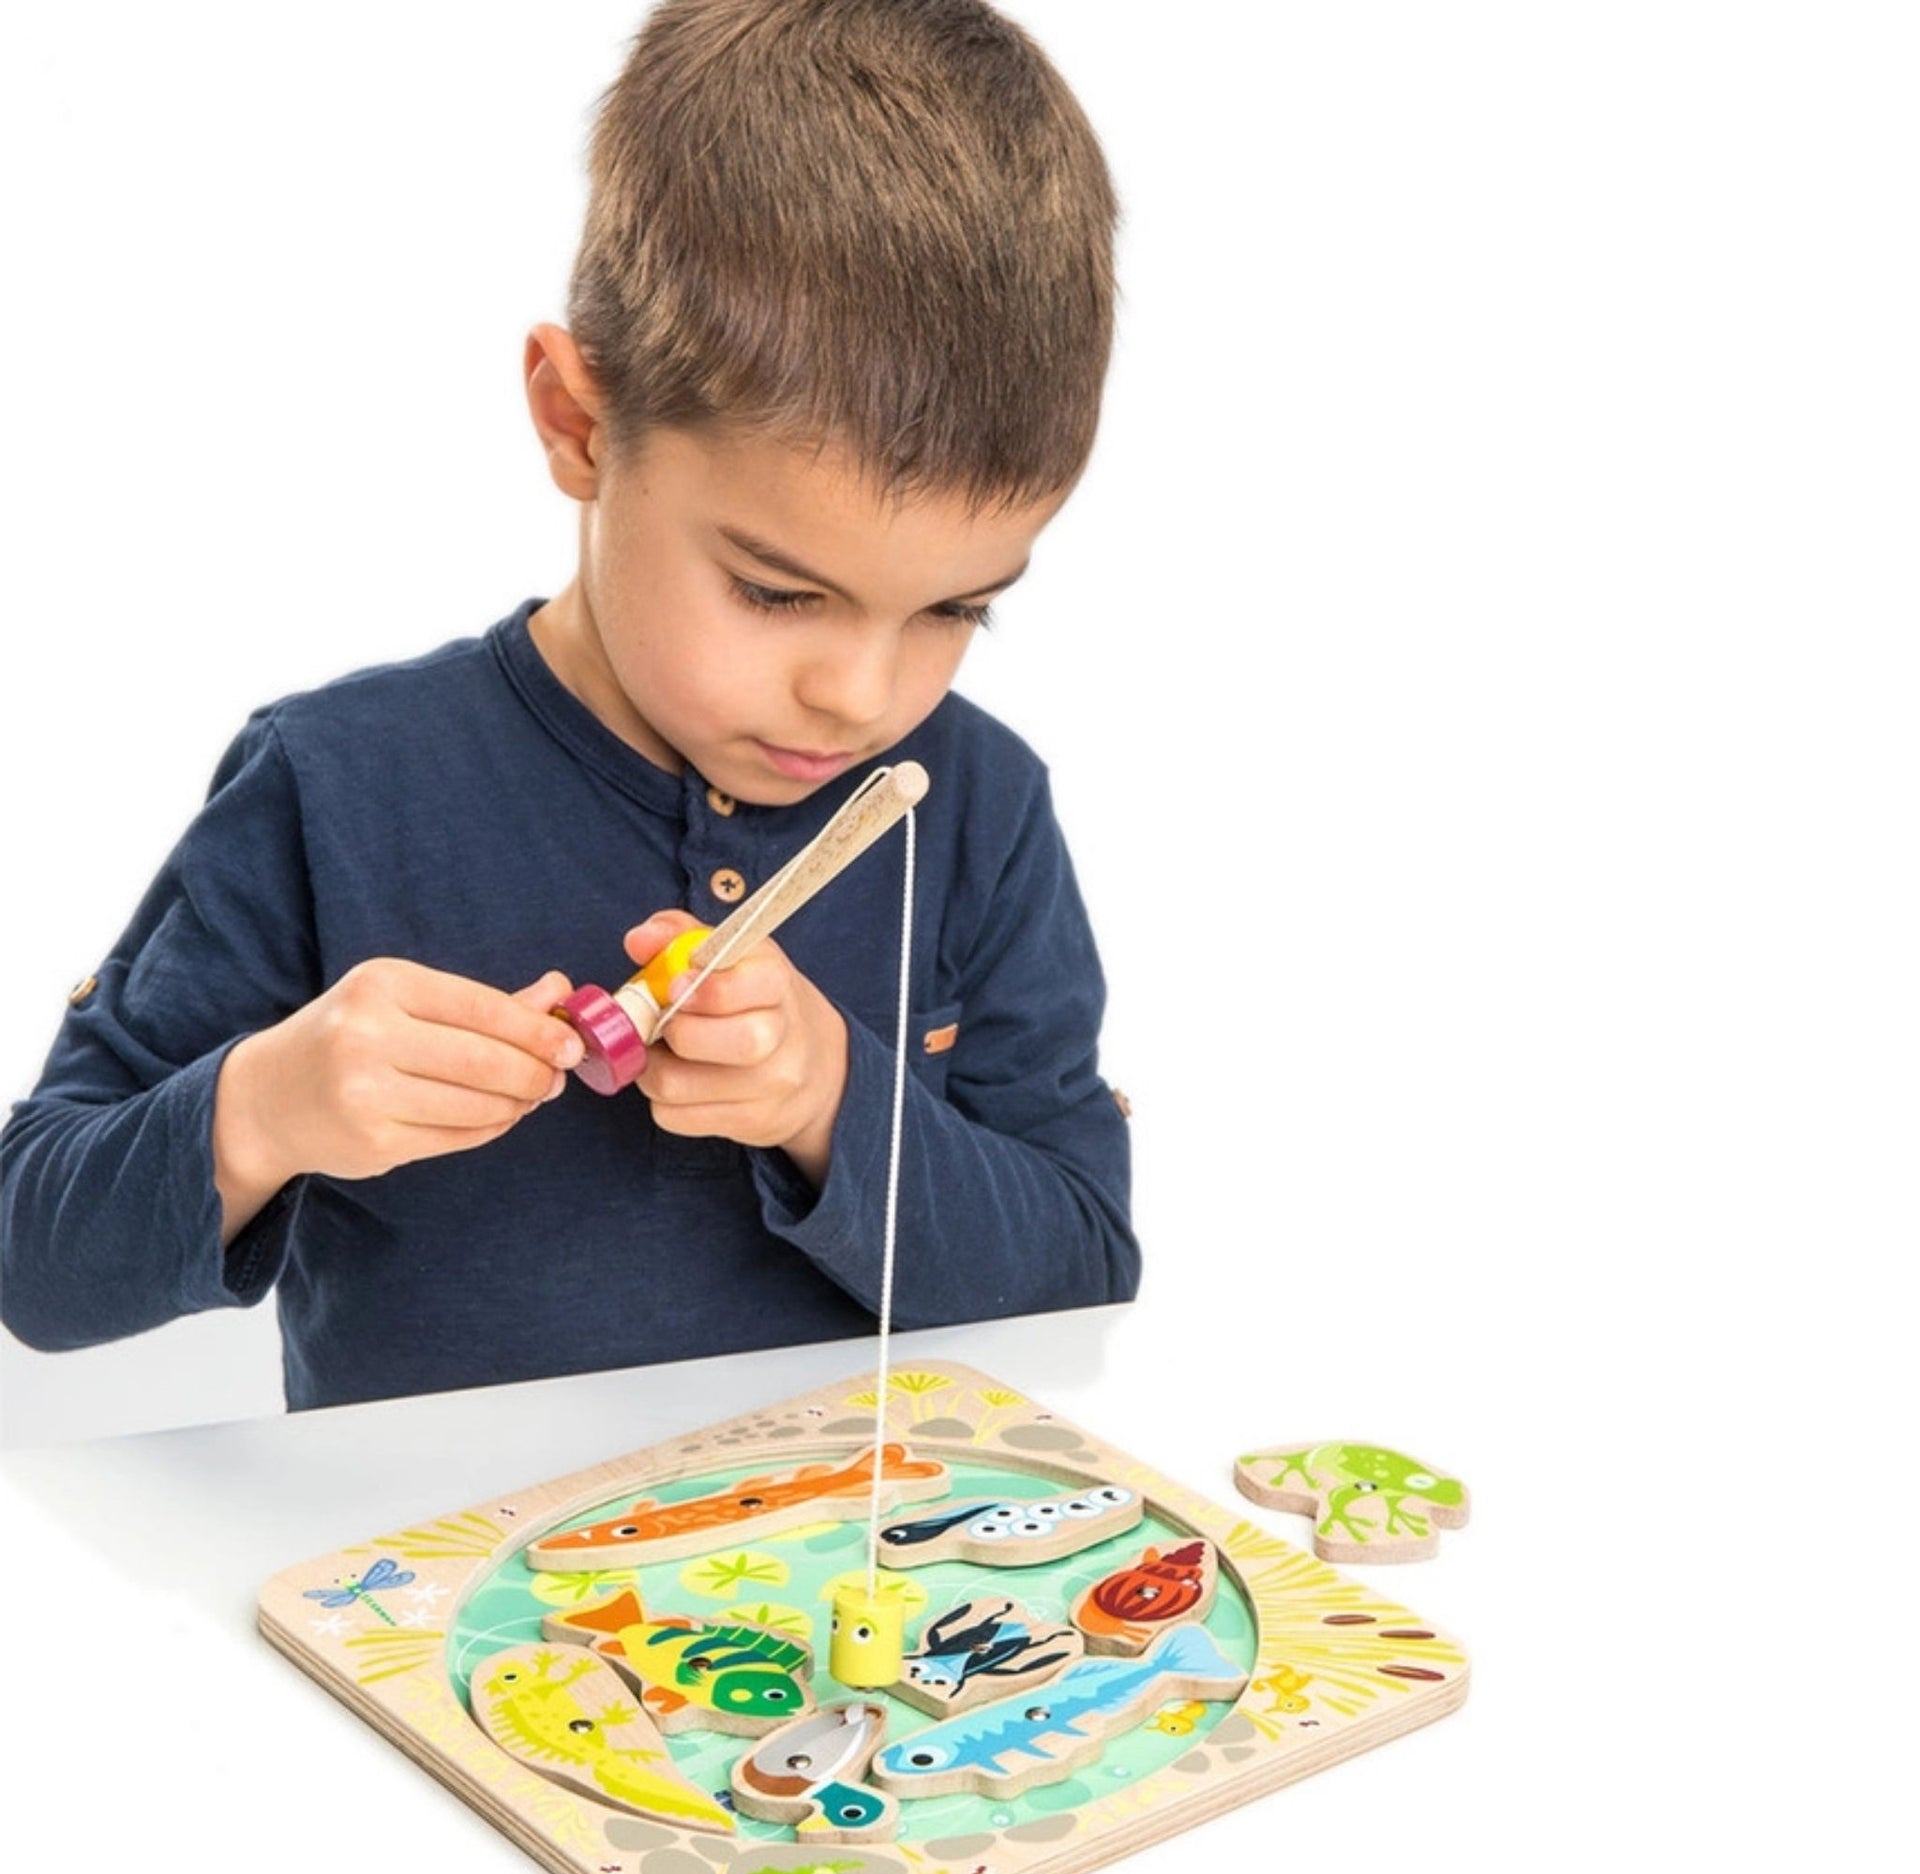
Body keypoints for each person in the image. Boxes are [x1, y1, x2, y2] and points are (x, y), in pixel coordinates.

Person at [0, 0, 1138, 1412]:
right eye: (780, 593)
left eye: (958, 609)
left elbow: (1084, 1278)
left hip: (854, 1601)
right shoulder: (343, 784)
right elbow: (28, 1260)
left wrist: (835, 1102)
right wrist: (266, 1109)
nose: (862, 696)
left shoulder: (978, 809)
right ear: (579, 422)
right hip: (430, 1617)